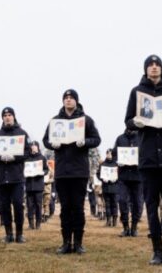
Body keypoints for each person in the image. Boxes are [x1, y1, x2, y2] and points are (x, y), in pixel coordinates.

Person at [124, 55, 162, 266]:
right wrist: (135, 122)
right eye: (150, 65)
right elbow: (127, 120)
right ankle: (157, 251)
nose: (154, 68)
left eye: (157, 64)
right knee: (151, 206)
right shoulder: (137, 92)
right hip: (148, 158)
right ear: (145, 69)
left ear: (161, 68)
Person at [43, 89, 101, 254]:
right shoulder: (55, 121)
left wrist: (85, 142)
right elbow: (45, 140)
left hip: (79, 171)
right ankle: (66, 242)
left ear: (76, 101)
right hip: (62, 171)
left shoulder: (85, 120)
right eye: (66, 98)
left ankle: (78, 242)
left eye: (71, 98)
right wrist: (52, 144)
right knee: (65, 208)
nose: (68, 100)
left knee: (78, 207)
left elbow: (97, 139)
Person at [0, 107, 29, 244]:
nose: (7, 117)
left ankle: (19, 234)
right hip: (1, 177)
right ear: (2, 118)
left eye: (10, 115)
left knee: (18, 205)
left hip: (16, 177)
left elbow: (27, 152)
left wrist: (15, 157)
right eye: (5, 115)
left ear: (14, 117)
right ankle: (8, 234)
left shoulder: (21, 133)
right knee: (4, 206)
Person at [113, 128, 143, 237]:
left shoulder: (141, 137)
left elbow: (146, 153)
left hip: (138, 176)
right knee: (122, 200)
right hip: (124, 176)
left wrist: (140, 161)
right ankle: (125, 226)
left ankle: (134, 226)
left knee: (137, 202)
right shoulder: (120, 138)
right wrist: (117, 161)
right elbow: (114, 153)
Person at [25, 141, 48, 230]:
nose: (33, 147)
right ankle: (31, 224)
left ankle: (38, 224)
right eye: (32, 146)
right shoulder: (27, 158)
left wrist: (43, 172)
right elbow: (23, 169)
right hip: (29, 185)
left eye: (35, 146)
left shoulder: (42, 158)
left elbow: (46, 170)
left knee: (38, 205)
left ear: (38, 147)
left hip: (38, 185)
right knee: (30, 206)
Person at [98, 149, 119, 227]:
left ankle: (115, 220)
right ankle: (108, 220)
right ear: (106, 154)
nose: (109, 155)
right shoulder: (102, 164)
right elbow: (98, 173)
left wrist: (116, 179)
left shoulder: (116, 164)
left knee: (114, 204)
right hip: (106, 187)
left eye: (110, 154)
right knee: (107, 204)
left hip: (114, 187)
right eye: (108, 154)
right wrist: (102, 178)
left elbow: (120, 174)